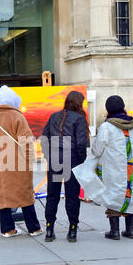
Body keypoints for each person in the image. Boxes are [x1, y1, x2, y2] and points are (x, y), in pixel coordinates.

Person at [73, 95, 133, 240]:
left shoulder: (107, 127)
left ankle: (115, 231)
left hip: (115, 168)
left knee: (114, 194)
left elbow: (96, 151)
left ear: (108, 110)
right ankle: (131, 231)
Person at [0, 85, 43, 238]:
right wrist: (29, 162)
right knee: (25, 196)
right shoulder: (18, 117)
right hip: (18, 166)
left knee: (2, 197)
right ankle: (34, 228)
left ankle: (7, 229)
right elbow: (26, 143)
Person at [42, 91, 89, 243]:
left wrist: (48, 156)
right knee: (72, 196)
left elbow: (45, 137)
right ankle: (72, 230)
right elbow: (81, 143)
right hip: (72, 159)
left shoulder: (54, 116)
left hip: (55, 158)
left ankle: (49, 229)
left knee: (52, 195)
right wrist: (82, 160)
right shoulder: (80, 118)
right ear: (78, 103)